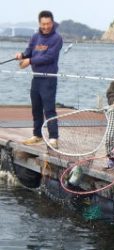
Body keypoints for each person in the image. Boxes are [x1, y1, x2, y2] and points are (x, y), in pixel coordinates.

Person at [15, 10, 63, 149]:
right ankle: (37, 135)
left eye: (48, 24)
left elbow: (49, 57)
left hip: (49, 78)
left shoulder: (57, 38)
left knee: (49, 109)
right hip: (36, 78)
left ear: (52, 23)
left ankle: (54, 138)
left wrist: (29, 61)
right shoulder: (35, 37)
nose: (46, 26)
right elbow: (28, 51)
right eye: (43, 24)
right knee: (36, 108)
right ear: (39, 23)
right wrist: (22, 55)